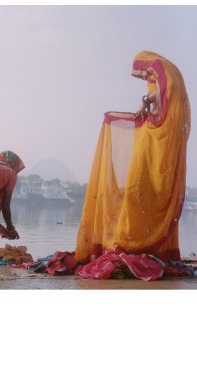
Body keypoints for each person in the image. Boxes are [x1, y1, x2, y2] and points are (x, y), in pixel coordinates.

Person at [75, 51, 191, 264]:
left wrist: (147, 99)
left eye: (143, 74)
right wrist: (144, 106)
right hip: (160, 131)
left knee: (137, 186)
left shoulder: (161, 66)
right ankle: (137, 242)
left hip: (159, 133)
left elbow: (168, 90)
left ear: (146, 63)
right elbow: (161, 98)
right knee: (142, 185)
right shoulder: (170, 71)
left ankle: (131, 242)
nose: (143, 78)